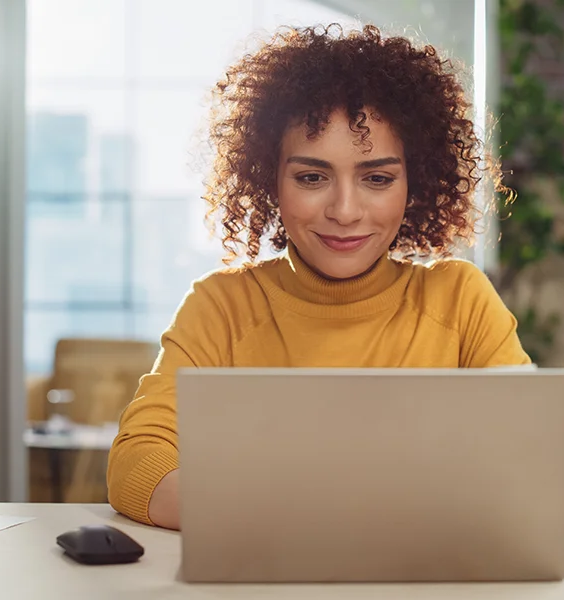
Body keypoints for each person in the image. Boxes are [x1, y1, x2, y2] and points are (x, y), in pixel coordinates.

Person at [107, 24, 531, 530]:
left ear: (415, 183)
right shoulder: (221, 306)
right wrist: (303, 517)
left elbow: (541, 471)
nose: (346, 211)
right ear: (270, 180)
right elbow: (138, 462)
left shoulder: (459, 300)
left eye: (377, 178)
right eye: (312, 177)